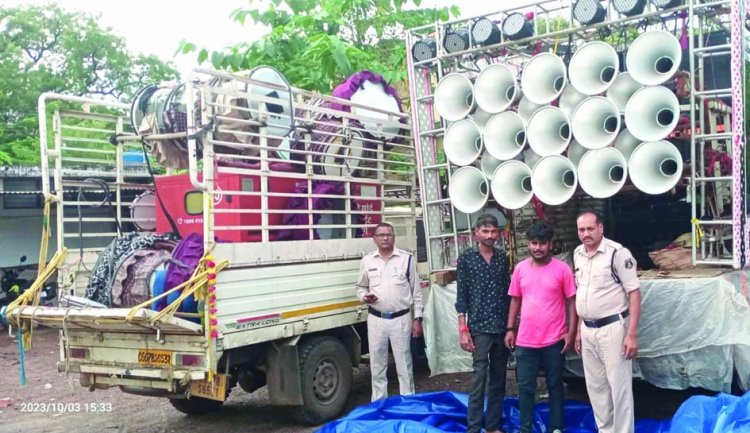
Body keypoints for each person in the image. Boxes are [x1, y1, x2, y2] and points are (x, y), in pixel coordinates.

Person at [505, 220, 577, 433]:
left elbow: (572, 301)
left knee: (555, 385)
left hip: (554, 340)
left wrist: (571, 332)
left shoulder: (562, 269)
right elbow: (515, 300)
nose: (538, 248)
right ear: (529, 244)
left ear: (550, 244)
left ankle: (556, 427)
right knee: (526, 388)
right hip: (525, 341)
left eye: (542, 243)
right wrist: (510, 329)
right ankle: (525, 428)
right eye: (534, 243)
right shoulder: (520, 269)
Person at [574, 211, 641, 433]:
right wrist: (577, 332)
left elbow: (634, 293)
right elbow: (580, 293)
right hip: (587, 329)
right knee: (596, 388)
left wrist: (631, 334)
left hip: (613, 329)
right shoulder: (577, 254)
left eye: (590, 229)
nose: (586, 234)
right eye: (581, 230)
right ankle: (605, 430)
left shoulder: (618, 254)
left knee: (619, 388)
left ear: (600, 228)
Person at [455, 214, 512, 433]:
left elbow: (507, 294)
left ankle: (493, 426)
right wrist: (463, 329)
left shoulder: (501, 257)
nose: (490, 236)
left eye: (493, 231)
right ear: (476, 233)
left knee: (499, 379)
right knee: (479, 378)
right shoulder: (467, 258)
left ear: (498, 233)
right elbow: (462, 296)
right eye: (485, 231)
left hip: (500, 326)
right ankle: (474, 427)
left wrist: (510, 326)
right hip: (479, 328)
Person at [356, 222, 423, 402]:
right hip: (376, 319)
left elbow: (416, 292)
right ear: (374, 239)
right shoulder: (367, 261)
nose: (385, 238)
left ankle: (407, 400)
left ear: (394, 237)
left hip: (401, 318)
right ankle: (379, 403)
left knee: (404, 363)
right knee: (377, 364)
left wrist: (417, 319)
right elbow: (360, 287)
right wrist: (364, 297)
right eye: (381, 235)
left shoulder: (406, 259)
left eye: (389, 234)